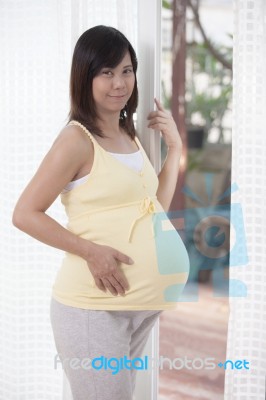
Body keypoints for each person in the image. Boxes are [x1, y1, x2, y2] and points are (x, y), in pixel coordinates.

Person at [12, 25, 189, 400]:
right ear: (85, 77)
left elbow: (154, 209)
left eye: (126, 70)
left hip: (137, 307)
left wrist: (174, 150)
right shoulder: (76, 140)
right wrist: (92, 252)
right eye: (106, 72)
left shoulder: (129, 133)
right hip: (93, 309)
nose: (119, 82)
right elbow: (25, 213)